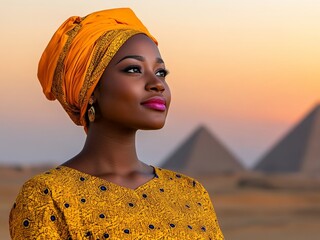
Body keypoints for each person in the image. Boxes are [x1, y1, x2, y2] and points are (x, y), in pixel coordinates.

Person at [9, 8, 224, 239]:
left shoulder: (191, 194)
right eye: (133, 69)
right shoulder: (47, 197)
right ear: (89, 89)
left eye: (161, 72)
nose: (157, 84)